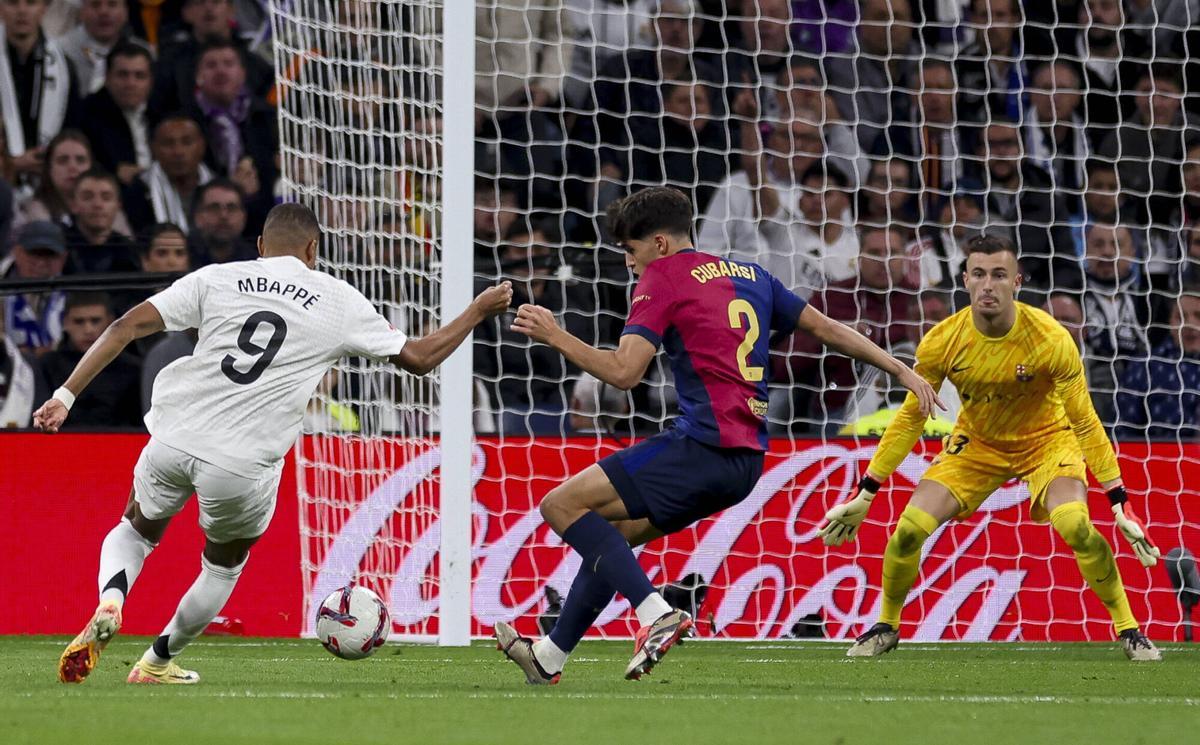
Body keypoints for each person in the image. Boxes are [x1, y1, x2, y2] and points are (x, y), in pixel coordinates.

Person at [38, 202, 513, 685]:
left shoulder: (217, 277)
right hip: (241, 462)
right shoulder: (338, 300)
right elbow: (418, 357)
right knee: (223, 565)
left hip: (176, 435)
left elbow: (124, 327)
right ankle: (156, 662)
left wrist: (64, 395)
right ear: (313, 249)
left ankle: (113, 598)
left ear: (261, 246)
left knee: (136, 530)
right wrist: (478, 309)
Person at [492, 187, 941, 684]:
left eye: (631, 250)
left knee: (559, 505)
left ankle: (654, 611)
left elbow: (624, 373)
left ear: (659, 244)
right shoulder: (751, 274)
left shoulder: (662, 278)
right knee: (615, 539)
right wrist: (897, 367)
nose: (629, 262)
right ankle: (549, 655)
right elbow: (828, 327)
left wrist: (557, 335)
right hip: (746, 463)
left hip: (701, 446)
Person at [820, 234, 1163, 662]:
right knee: (907, 531)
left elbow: (1084, 420)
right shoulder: (942, 341)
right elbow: (912, 416)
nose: (988, 284)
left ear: (1016, 281)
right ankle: (886, 626)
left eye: (998, 275)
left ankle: (1129, 629)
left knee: (1075, 525)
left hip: (1047, 440)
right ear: (965, 280)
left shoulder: (1051, 339)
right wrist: (867, 490)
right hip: (978, 443)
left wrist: (1119, 501)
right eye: (979, 274)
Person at [35, 291, 142, 428]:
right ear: (65, 323)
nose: (88, 329)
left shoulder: (132, 368)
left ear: (111, 322)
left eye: (95, 321)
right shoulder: (47, 365)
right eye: (79, 321)